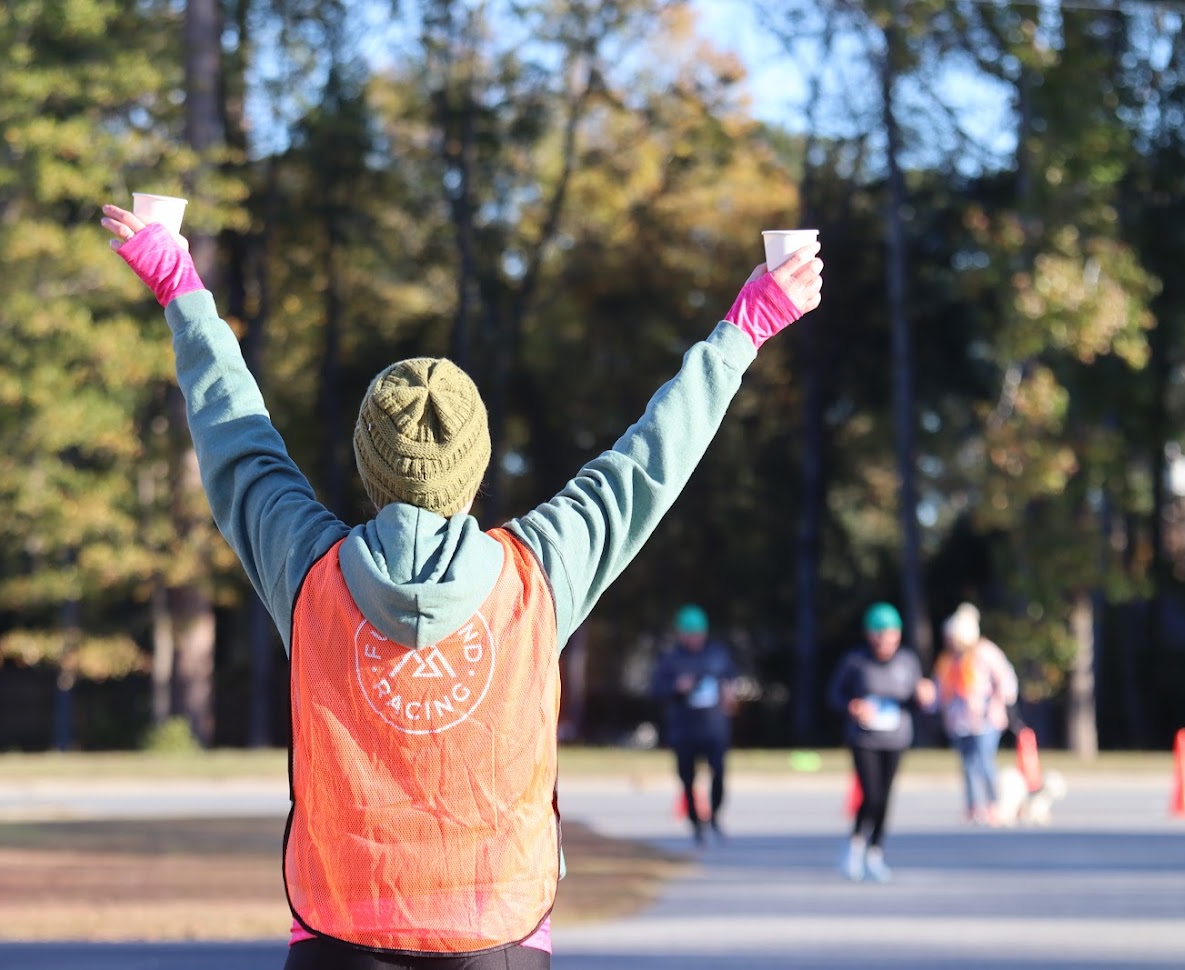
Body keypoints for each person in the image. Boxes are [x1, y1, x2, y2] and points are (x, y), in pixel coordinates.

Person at [100, 201, 822, 969]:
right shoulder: (538, 571)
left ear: (367, 465)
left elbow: (235, 436)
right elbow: (650, 459)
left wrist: (178, 283)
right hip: (500, 927)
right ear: (473, 467)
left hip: (338, 924)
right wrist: (747, 324)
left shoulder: (309, 570)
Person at [826, 602, 935, 884]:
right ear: (869, 635)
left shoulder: (907, 661)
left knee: (885, 798)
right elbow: (834, 695)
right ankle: (854, 847)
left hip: (895, 736)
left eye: (890, 634)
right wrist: (853, 706)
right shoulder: (856, 662)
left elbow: (913, 699)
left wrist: (923, 697)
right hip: (864, 738)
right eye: (878, 634)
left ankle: (875, 852)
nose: (884, 640)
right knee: (871, 795)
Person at [650, 603, 742, 844]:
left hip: (714, 727)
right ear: (680, 634)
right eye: (689, 633)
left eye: (698, 633)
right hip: (684, 729)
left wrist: (730, 692)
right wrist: (677, 688)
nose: (694, 638)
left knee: (719, 773)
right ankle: (695, 822)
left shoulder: (717, 655)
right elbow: (656, 690)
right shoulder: (671, 659)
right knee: (687, 778)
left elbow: (731, 679)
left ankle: (715, 816)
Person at [934, 602, 1019, 826]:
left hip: (985, 720)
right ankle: (973, 807)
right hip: (959, 721)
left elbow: (1006, 681)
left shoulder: (984, 652)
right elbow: (941, 689)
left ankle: (995, 805)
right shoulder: (950, 659)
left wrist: (996, 705)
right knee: (967, 764)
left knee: (984, 761)